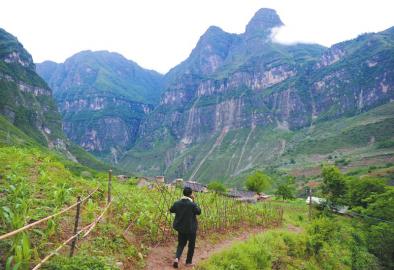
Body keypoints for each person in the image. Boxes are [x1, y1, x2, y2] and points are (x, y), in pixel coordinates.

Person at [170, 187, 201, 268]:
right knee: (191, 245)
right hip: (191, 229)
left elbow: (171, 210)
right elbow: (199, 212)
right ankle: (188, 262)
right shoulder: (192, 204)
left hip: (181, 228)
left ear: (183, 193)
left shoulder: (177, 203)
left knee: (181, 244)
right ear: (191, 194)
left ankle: (177, 258)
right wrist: (194, 201)